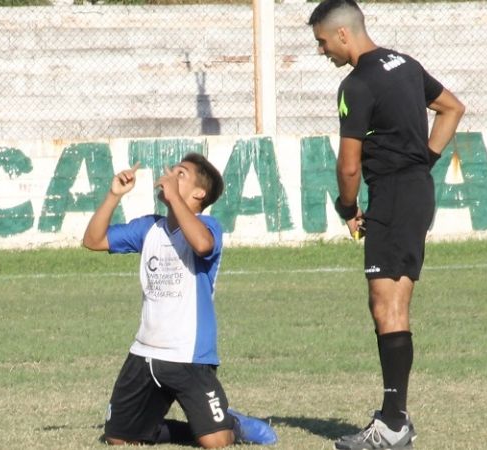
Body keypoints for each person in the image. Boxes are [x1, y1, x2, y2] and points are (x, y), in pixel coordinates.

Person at [308, 1, 465, 449]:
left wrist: (346, 207)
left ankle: (394, 423)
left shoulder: (355, 85)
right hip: (413, 192)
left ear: (342, 35)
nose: (322, 51)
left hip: (394, 198)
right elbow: (452, 109)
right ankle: (394, 418)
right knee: (390, 304)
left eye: (322, 42)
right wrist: (424, 163)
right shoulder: (405, 64)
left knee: (387, 306)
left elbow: (349, 165)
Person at [82, 152, 277, 448]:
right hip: (145, 354)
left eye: (180, 174)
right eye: (171, 172)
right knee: (118, 439)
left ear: (200, 193)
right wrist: (113, 195)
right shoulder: (149, 228)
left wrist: (174, 198)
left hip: (189, 356)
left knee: (217, 442)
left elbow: (201, 244)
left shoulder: (208, 226)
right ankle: (177, 427)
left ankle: (231, 424)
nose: (170, 176)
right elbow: (93, 241)